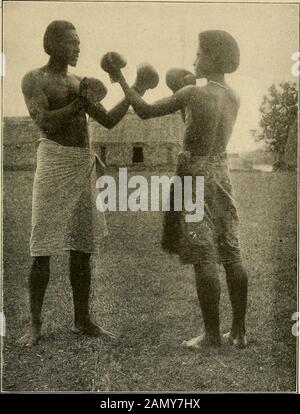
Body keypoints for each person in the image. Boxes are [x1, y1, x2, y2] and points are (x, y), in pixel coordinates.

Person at [115, 30, 248, 349]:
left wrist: (119, 77)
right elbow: (198, 123)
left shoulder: (194, 93)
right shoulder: (232, 96)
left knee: (204, 255)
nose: (194, 59)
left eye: (199, 53)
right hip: (222, 172)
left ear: (213, 57)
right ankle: (240, 332)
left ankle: (212, 335)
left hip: (194, 174)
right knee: (231, 253)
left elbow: (144, 110)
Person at [19, 20, 146, 346]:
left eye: (79, 42)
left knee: (83, 248)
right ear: (52, 45)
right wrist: (80, 102)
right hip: (54, 162)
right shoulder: (35, 78)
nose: (78, 48)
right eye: (71, 42)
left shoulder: (80, 81)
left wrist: (137, 89)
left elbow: (109, 120)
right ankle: (35, 325)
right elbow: (43, 121)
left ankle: (82, 320)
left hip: (82, 163)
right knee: (41, 248)